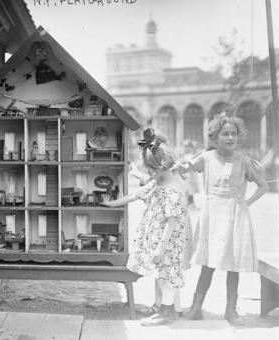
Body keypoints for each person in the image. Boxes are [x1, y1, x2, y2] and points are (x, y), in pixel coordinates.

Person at [172, 113, 267, 325]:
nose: (230, 138)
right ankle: (196, 308)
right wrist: (180, 166)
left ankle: (231, 310)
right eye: (226, 134)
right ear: (215, 136)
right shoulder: (207, 157)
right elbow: (188, 166)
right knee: (208, 264)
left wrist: (245, 203)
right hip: (213, 217)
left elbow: (263, 186)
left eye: (234, 134)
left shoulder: (244, 161)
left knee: (233, 264)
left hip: (235, 217)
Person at [102, 128, 191, 326]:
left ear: (160, 167)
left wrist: (161, 246)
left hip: (167, 242)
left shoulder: (172, 190)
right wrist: (113, 203)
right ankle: (163, 309)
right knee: (161, 276)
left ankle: (167, 313)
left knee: (167, 277)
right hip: (159, 239)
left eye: (150, 170)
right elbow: (136, 194)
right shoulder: (157, 183)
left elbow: (172, 221)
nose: (149, 174)